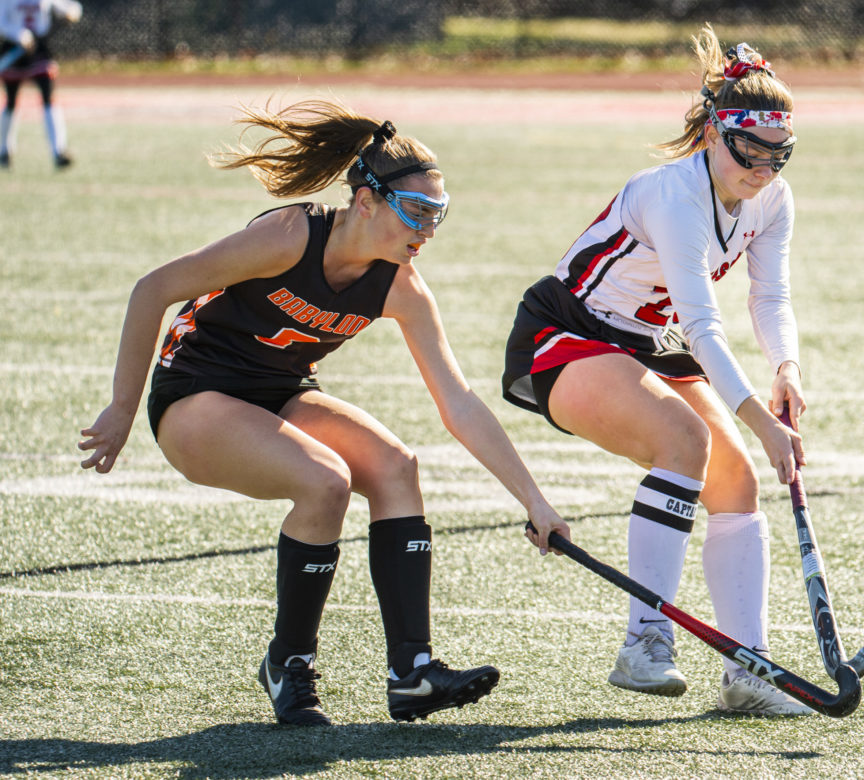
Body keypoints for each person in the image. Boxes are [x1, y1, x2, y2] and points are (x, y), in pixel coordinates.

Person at [78, 98, 571, 726]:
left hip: (279, 390)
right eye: (416, 212)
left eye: (438, 215)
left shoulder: (400, 284)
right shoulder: (288, 237)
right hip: (196, 396)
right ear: (364, 201)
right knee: (325, 480)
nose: (427, 231)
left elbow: (460, 401)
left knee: (396, 466)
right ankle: (289, 662)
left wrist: (535, 501)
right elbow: (153, 289)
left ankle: (412, 672)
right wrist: (122, 408)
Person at [504, 25, 813, 717]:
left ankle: (749, 670)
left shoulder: (771, 199)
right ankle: (644, 642)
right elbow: (704, 326)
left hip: (648, 339)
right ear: (713, 135)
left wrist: (785, 368)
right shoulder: (672, 195)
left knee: (732, 478)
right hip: (568, 332)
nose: (762, 171)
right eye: (749, 153)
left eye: (779, 157)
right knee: (686, 441)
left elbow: (770, 296)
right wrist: (760, 420)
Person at [0, 0, 82, 169]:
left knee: (48, 97)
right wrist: (18, 34)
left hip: (39, 51)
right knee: (11, 101)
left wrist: (72, 12)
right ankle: (4, 150)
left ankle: (58, 151)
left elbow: (67, 7)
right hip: (15, 50)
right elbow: (2, 22)